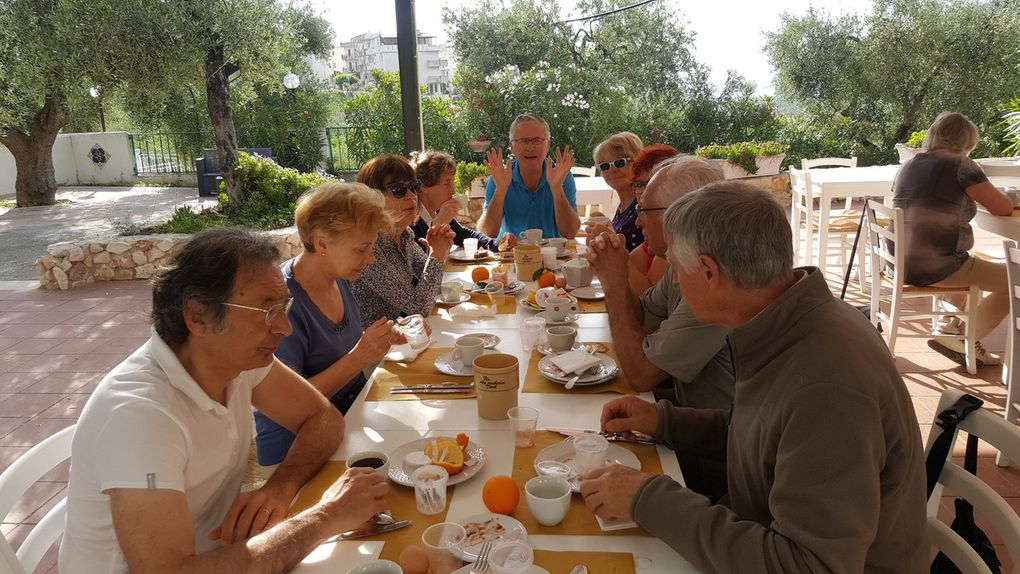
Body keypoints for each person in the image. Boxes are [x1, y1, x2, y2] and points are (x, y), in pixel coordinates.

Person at [581, 182, 929, 572]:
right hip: (755, 521)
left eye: (678, 269)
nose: (675, 281)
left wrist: (649, 498)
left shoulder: (826, 386)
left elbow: (808, 565)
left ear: (710, 272)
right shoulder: (784, 319)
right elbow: (765, 434)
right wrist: (665, 421)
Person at [60, 228, 389, 573]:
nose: (284, 328)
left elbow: (322, 417)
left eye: (283, 307)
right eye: (267, 310)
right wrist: (325, 517)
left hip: (220, 552)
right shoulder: (140, 415)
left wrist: (280, 486)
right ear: (199, 316)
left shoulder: (235, 360)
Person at [587, 156, 732, 496]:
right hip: (694, 429)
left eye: (644, 210)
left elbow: (640, 372)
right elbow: (642, 321)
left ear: (680, 214)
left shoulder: (713, 280)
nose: (636, 220)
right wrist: (617, 276)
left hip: (717, 466)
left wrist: (613, 281)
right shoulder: (680, 265)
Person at [254, 183, 405, 468]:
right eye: (362, 249)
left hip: (346, 421)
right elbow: (286, 402)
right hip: (294, 454)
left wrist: (382, 339)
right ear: (322, 243)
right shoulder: (283, 304)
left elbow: (339, 347)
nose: (370, 259)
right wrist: (360, 355)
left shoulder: (338, 279)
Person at [893, 111, 1012, 367]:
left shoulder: (910, 164)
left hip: (901, 263)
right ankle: (966, 338)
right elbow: (1000, 207)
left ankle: (948, 328)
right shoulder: (961, 165)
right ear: (968, 140)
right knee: (1016, 279)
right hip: (937, 266)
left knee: (970, 260)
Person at [353, 154, 454, 326]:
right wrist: (436, 255)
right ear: (372, 198)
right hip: (373, 345)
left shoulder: (404, 234)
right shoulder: (369, 248)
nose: (411, 196)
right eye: (398, 190)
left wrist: (438, 251)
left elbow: (433, 284)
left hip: (396, 336)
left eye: (414, 187)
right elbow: (419, 307)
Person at [477, 113, 581, 239]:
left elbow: (570, 232)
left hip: (551, 255)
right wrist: (501, 189)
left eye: (537, 140)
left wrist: (557, 188)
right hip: (510, 255)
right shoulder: (499, 178)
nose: (530, 147)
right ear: (512, 146)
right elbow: (487, 232)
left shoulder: (563, 177)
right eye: (523, 141)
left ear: (547, 145)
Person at [410, 150, 517, 252]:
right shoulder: (411, 220)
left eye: (453, 183)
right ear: (423, 187)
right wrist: (437, 226)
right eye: (447, 184)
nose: (452, 191)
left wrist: (496, 244)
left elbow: (463, 234)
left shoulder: (437, 210)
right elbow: (419, 265)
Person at [624, 144, 678, 294]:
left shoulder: (670, 241)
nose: (642, 191)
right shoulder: (653, 238)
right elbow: (627, 268)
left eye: (650, 182)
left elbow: (649, 300)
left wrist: (616, 256)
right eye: (639, 184)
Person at [584, 132, 645, 251]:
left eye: (619, 162)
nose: (611, 170)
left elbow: (645, 260)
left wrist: (609, 237)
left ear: (637, 162)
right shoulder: (622, 206)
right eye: (605, 166)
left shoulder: (642, 207)